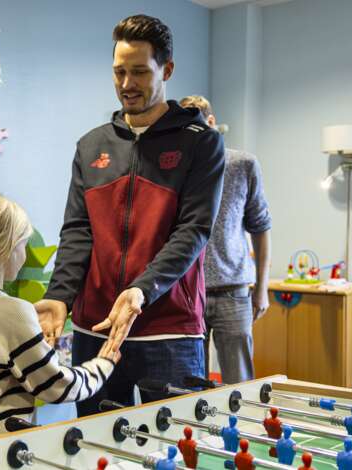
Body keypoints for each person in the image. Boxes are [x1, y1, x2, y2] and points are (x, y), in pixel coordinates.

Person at [35, 13, 225, 417]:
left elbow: (194, 230)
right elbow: (78, 230)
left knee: (175, 446)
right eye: (119, 72)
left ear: (167, 69)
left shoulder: (201, 144)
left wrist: (142, 289)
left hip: (169, 329)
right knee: (96, 445)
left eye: (139, 72)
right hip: (96, 330)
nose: (126, 84)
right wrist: (58, 296)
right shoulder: (91, 146)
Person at [0, 194, 120, 447]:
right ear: (8, 249)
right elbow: (57, 387)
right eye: (23, 245)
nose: (24, 255)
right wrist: (103, 364)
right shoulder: (12, 313)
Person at [179, 95, 272, 385]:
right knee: (192, 384)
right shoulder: (174, 169)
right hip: (187, 293)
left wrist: (262, 288)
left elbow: (261, 226)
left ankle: (242, 430)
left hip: (234, 291)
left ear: (211, 123)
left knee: (239, 383)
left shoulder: (243, 164)